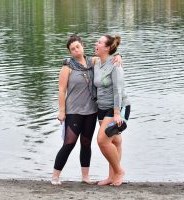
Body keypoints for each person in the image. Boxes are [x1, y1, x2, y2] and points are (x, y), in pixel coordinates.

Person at [51, 34, 122, 185]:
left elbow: (107, 57)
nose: (76, 50)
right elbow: (61, 90)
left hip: (91, 111)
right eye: (72, 49)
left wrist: (118, 55)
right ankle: (55, 176)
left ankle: (85, 177)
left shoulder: (93, 61)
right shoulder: (67, 66)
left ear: (82, 46)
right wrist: (61, 111)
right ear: (70, 52)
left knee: (86, 143)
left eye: (77, 47)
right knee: (69, 143)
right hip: (73, 111)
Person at [93, 34, 131, 186]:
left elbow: (118, 90)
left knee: (102, 141)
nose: (96, 44)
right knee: (114, 140)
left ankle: (119, 171)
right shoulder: (96, 62)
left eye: (99, 42)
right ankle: (111, 177)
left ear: (107, 48)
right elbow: (79, 58)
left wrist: (116, 113)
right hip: (101, 108)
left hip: (117, 107)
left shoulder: (115, 64)